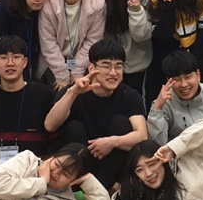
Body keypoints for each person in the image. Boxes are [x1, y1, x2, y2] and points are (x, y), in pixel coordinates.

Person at [44, 40, 148, 186]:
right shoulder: (74, 90)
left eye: (118, 66)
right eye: (106, 66)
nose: (113, 72)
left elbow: (142, 136)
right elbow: (50, 125)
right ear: (91, 68)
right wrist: (72, 93)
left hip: (112, 167)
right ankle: (80, 188)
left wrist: (112, 142)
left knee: (121, 123)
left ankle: (103, 187)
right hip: (78, 163)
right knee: (74, 127)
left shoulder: (129, 95)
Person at [0, 35, 59, 173]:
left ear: (25, 62)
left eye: (16, 57)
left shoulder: (44, 95)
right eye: (3, 58)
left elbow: (56, 142)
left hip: (34, 174)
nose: (10, 63)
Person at [39, 0, 107, 89]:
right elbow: (48, 43)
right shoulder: (48, 3)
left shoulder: (97, 4)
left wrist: (77, 72)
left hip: (84, 60)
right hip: (53, 61)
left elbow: (93, 40)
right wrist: (61, 75)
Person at [99, 0, 154, 99]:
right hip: (108, 62)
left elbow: (141, 35)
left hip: (136, 62)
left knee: (133, 99)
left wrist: (136, 10)